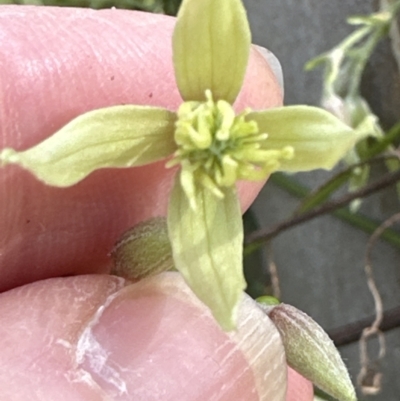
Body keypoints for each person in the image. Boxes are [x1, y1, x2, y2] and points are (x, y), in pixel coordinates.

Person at [0, 5, 313, 400]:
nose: (215, 141)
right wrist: (30, 159)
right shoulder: (145, 138)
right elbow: (85, 145)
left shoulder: (200, 204)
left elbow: (315, 138)